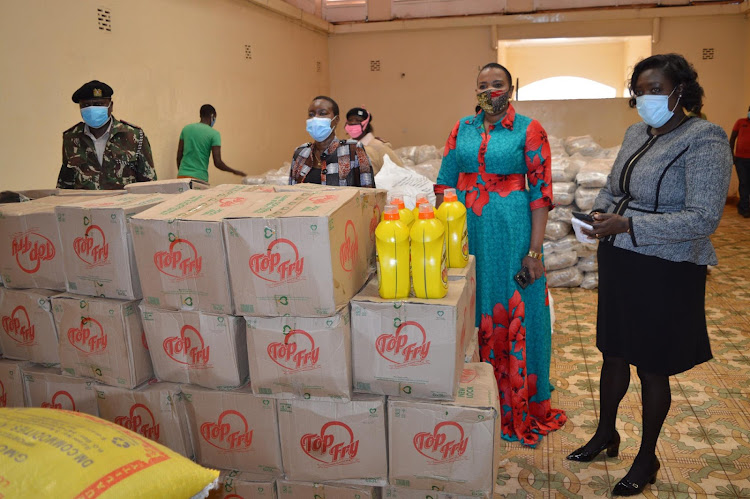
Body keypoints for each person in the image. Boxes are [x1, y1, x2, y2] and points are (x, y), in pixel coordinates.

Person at [570, 54, 732, 496]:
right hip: (622, 259)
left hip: (668, 267)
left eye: (656, 88)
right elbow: (613, 187)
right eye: (640, 90)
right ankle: (606, 434)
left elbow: (703, 218)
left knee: (652, 366)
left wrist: (630, 225)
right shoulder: (635, 132)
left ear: (682, 91)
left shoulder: (705, 139)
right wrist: (598, 214)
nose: (647, 97)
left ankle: (648, 456)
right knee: (614, 351)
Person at [435, 62, 566, 447]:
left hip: (512, 229)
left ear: (511, 88)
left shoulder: (529, 128)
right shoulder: (463, 127)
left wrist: (534, 251)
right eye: (483, 85)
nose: (490, 90)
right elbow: (444, 179)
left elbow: (542, 194)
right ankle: (478, 393)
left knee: (515, 305)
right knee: (472, 304)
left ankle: (521, 401)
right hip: (466, 227)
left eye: (498, 84)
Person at [57, 80, 156, 190]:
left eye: (98, 104)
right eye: (85, 105)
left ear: (110, 106)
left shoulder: (133, 135)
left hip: (123, 204)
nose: (91, 109)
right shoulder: (71, 138)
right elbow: (65, 185)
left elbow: (149, 183)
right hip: (85, 205)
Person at [289, 96, 375, 187]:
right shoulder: (300, 153)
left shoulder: (353, 150)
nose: (315, 118)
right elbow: (291, 192)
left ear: (336, 120)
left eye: (322, 113)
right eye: (311, 114)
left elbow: (368, 193)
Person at [176, 104, 246, 182]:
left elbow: (179, 156)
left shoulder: (186, 129)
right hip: (199, 178)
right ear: (212, 116)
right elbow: (218, 163)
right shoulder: (214, 134)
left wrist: (183, 172)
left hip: (182, 177)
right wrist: (234, 171)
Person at [344, 107, 403, 174]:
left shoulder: (379, 146)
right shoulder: (344, 146)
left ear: (366, 125)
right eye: (350, 120)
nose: (353, 123)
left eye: (358, 120)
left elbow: (399, 171)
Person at [729, 104, 750, 217]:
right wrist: (731, 155)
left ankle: (742, 205)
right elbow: (732, 139)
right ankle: (745, 209)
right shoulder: (740, 122)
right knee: (744, 182)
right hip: (741, 159)